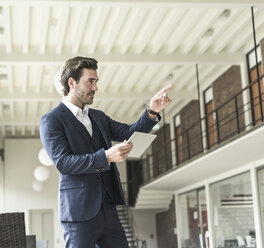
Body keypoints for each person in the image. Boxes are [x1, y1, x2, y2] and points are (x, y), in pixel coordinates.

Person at [40, 56, 172, 248]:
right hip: (79, 213)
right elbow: (63, 163)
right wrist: (106, 156)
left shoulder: (98, 117)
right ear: (72, 82)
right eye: (90, 81)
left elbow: (128, 132)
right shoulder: (51, 120)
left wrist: (152, 111)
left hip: (108, 209)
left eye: (96, 81)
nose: (95, 88)